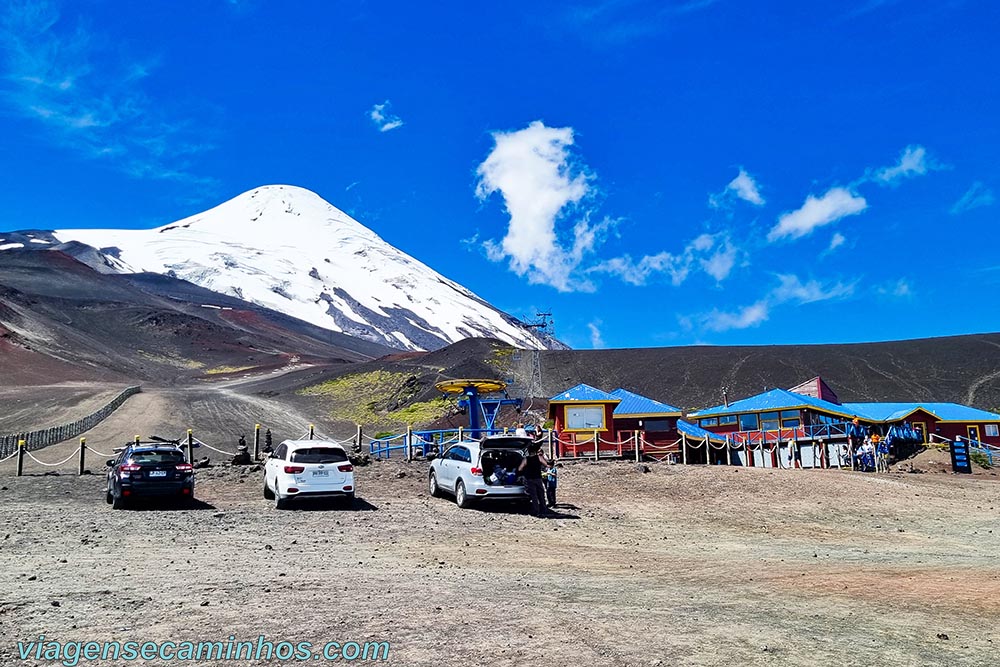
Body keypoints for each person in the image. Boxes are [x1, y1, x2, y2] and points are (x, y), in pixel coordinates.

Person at [518, 442, 549, 517]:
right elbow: (546, 464)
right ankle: (544, 509)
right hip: (538, 478)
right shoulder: (539, 457)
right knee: (541, 494)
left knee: (534, 495)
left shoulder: (526, 459)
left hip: (529, 478)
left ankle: (536, 511)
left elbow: (520, 468)